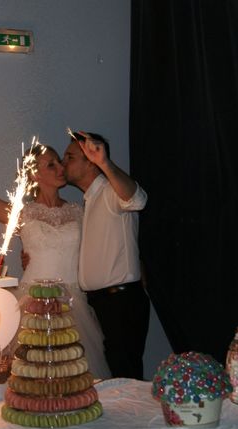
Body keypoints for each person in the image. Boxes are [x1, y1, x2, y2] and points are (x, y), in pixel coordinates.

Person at [0, 134, 111, 379]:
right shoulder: (24, 212)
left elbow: (101, 244)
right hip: (31, 302)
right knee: (29, 376)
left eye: (59, 162)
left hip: (73, 305)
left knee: (73, 376)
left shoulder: (78, 211)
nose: (60, 168)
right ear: (34, 174)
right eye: (51, 165)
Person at [62, 131, 150, 380]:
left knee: (125, 379)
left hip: (120, 302)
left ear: (90, 160)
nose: (63, 162)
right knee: (113, 380)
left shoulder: (111, 192)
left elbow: (138, 199)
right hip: (101, 304)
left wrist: (105, 163)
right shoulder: (89, 200)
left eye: (70, 156)